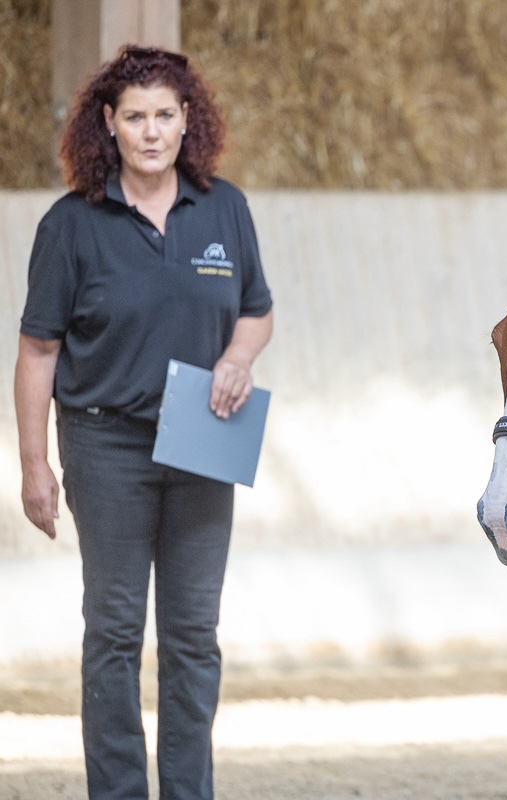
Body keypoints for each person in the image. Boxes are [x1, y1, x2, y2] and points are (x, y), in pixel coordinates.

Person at [14, 45, 273, 800]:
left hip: (203, 434)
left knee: (194, 637)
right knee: (116, 633)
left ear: (188, 120)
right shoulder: (71, 226)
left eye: (165, 115)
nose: (152, 131)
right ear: (108, 124)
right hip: (104, 444)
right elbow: (36, 353)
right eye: (136, 117)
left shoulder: (224, 206)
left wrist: (237, 357)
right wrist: (35, 465)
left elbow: (257, 312)